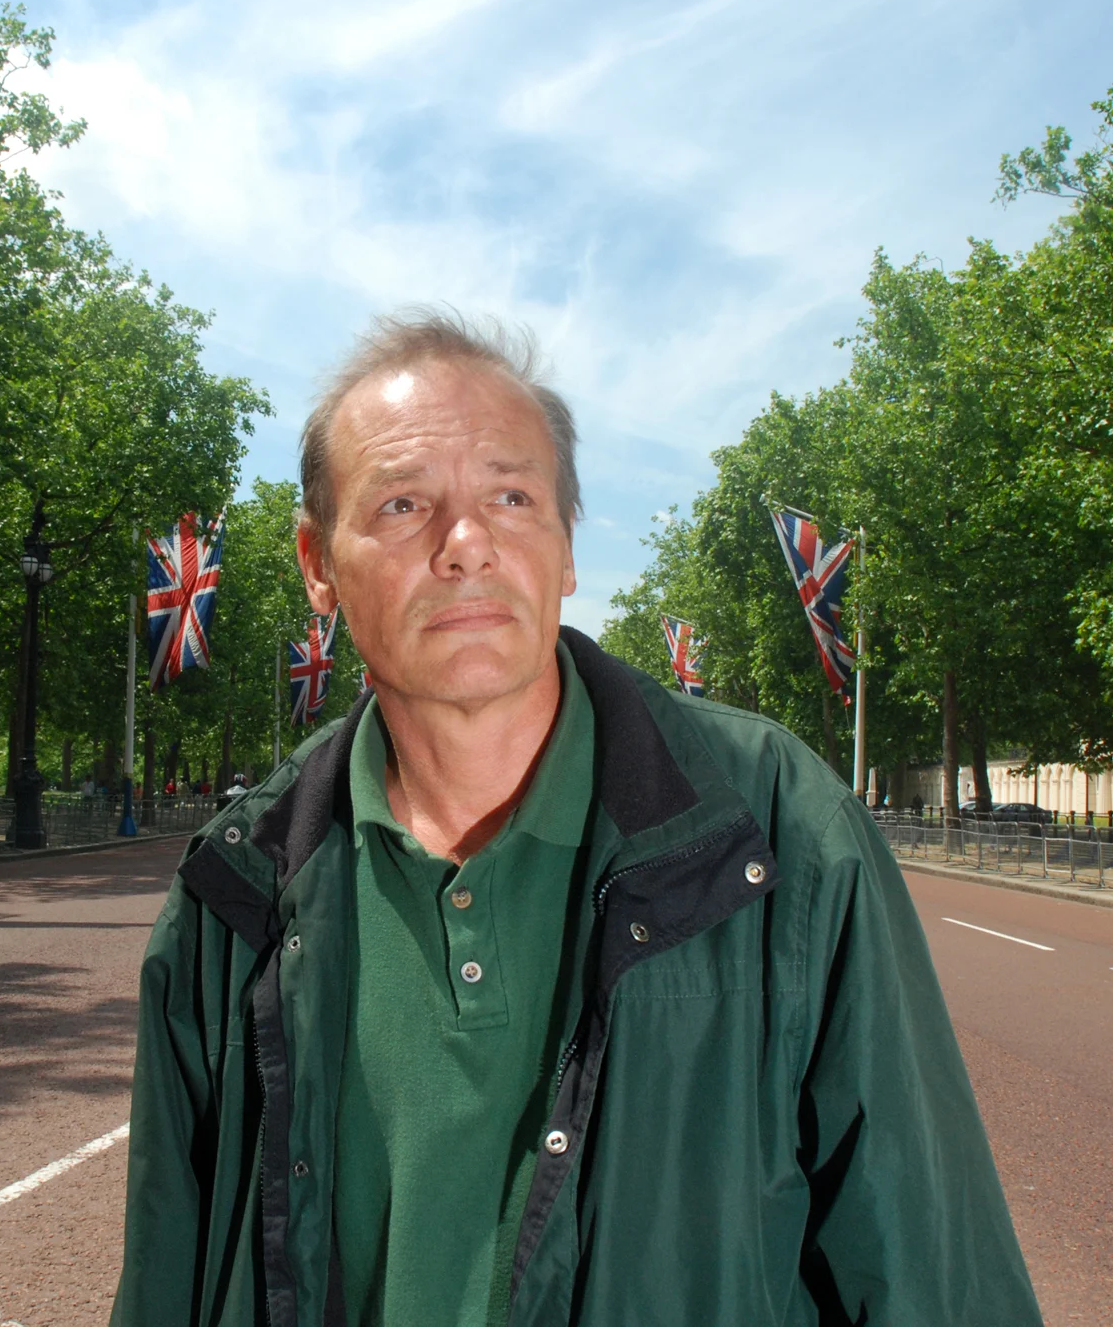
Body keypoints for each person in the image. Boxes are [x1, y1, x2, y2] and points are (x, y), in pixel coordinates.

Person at [109, 312, 1041, 1326]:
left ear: (564, 548)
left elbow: (929, 1269)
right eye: (402, 504)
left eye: (511, 497)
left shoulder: (779, 827)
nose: (466, 546)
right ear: (317, 563)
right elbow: (168, 1277)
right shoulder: (233, 889)